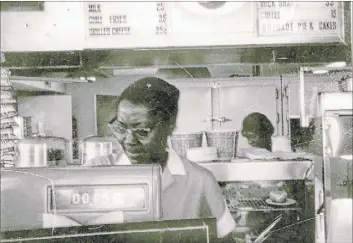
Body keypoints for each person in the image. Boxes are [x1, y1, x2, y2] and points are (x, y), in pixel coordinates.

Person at [86, 77, 236, 239]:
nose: (129, 140)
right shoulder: (96, 173)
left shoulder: (200, 181)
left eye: (142, 130)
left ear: (169, 126)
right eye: (121, 127)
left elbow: (226, 239)